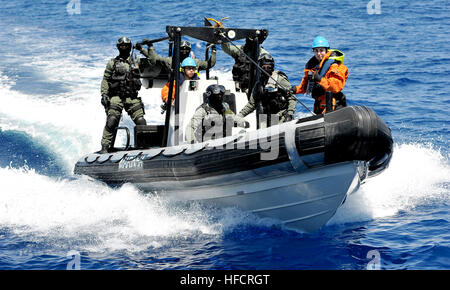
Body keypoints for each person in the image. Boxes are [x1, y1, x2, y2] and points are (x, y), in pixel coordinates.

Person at [99, 36, 154, 153]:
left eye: (126, 46)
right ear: (118, 47)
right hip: (116, 97)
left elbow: (152, 61)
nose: (124, 48)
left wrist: (144, 49)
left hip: (132, 97)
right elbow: (105, 79)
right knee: (112, 120)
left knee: (141, 122)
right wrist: (104, 94)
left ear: (130, 47)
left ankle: (142, 146)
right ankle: (105, 146)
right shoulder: (112, 63)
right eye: (122, 46)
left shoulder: (136, 61)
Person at [291, 36, 348, 115]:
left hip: (333, 103)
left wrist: (320, 80)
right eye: (316, 51)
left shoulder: (335, 66)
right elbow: (305, 87)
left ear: (326, 50)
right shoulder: (312, 67)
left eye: (321, 50)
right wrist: (294, 90)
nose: (318, 53)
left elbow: (335, 87)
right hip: (319, 104)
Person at [237, 53, 297, 126]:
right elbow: (252, 104)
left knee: (277, 135)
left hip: (281, 117)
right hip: (266, 118)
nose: (266, 69)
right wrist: (240, 115)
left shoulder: (279, 80)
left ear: (272, 67)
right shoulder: (259, 84)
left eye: (269, 67)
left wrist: (290, 114)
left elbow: (292, 98)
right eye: (264, 67)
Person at [143, 40, 216, 72]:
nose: (184, 52)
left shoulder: (195, 62)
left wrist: (213, 49)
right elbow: (155, 58)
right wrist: (148, 47)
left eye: (186, 50)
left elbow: (210, 64)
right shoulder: (170, 61)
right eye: (182, 50)